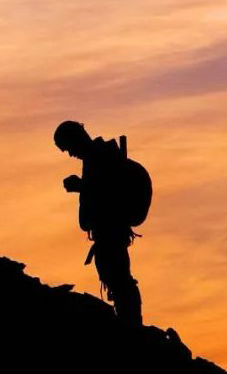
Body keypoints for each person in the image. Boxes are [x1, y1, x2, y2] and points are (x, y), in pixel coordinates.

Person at [53, 120, 143, 326]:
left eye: (68, 148)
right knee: (115, 278)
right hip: (107, 233)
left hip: (112, 232)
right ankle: (128, 321)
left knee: (120, 279)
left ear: (76, 139)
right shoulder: (96, 157)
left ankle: (131, 324)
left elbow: (108, 191)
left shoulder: (101, 156)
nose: (70, 154)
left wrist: (81, 186)